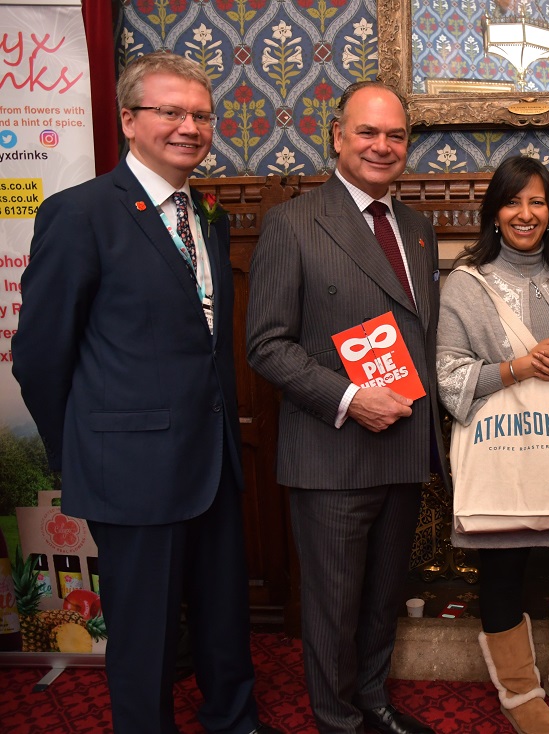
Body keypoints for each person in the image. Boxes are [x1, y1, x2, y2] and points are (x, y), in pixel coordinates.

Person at [12, 52, 278, 734]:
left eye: (200, 114)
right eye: (171, 112)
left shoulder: (208, 219)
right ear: (129, 120)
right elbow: (39, 357)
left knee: (223, 618)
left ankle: (234, 721)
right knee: (147, 638)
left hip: (213, 461)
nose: (189, 126)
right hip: (130, 473)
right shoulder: (80, 215)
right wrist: (84, 453)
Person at [245, 81, 443, 734]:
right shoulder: (294, 222)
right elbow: (266, 346)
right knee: (332, 607)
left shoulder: (416, 229)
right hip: (332, 454)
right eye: (367, 132)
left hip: (403, 449)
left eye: (395, 136)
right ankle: (338, 722)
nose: (382, 146)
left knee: (383, 598)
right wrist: (352, 397)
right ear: (337, 135)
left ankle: (373, 703)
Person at [437, 156, 549, 734]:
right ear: (493, 213)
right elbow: (447, 374)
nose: (525, 213)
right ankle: (519, 692)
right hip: (506, 452)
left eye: (537, 201)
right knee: (503, 575)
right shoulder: (465, 284)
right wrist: (516, 367)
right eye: (513, 202)